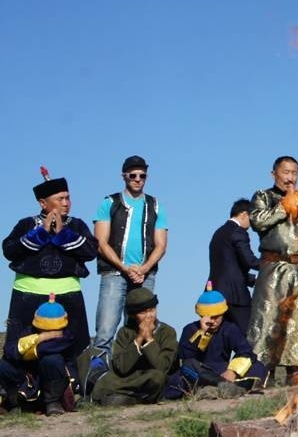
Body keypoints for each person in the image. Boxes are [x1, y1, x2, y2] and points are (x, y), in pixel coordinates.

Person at [247, 156, 298, 382]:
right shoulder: (262, 196)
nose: (290, 178)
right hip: (275, 268)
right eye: (285, 172)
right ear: (274, 173)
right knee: (269, 320)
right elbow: (257, 221)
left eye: (294, 173)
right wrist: (283, 208)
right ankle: (262, 376)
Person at [3, 173, 97, 354]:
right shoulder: (26, 224)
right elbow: (9, 251)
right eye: (60, 198)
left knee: (73, 347)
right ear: (43, 203)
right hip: (27, 296)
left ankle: (71, 382)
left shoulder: (76, 225)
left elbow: (90, 251)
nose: (65, 203)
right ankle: (26, 382)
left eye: (68, 198)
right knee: (23, 345)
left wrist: (62, 233)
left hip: (69, 295)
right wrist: (42, 232)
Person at [93, 155, 169, 349]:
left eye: (142, 176)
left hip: (145, 276)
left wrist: (143, 269)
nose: (138, 179)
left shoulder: (156, 205)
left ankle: (135, 375)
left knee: (141, 329)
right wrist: (125, 268)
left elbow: (161, 244)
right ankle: (98, 376)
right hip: (114, 274)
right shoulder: (109, 203)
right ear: (124, 176)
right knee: (106, 330)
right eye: (133, 175)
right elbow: (101, 243)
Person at [164, 282, 268, 400]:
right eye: (209, 317)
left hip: (222, 370)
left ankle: (218, 388)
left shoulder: (229, 329)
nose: (212, 321)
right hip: (198, 371)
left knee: (258, 365)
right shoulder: (190, 329)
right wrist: (201, 333)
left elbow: (246, 352)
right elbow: (186, 357)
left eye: (216, 317)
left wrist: (232, 371)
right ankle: (224, 386)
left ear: (222, 314)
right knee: (187, 368)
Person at [90, 287, 178, 406]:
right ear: (133, 315)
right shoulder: (124, 332)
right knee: (107, 381)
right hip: (129, 378)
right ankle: (128, 397)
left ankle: (129, 398)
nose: (149, 316)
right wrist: (139, 338)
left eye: (151, 310)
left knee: (157, 377)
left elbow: (162, 366)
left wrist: (149, 340)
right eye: (143, 312)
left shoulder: (167, 332)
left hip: (151, 377)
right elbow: (121, 367)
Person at [0, 295, 79, 416]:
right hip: (28, 377)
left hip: (51, 379)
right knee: (4, 366)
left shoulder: (66, 335)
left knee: (52, 359)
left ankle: (53, 402)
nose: (49, 332)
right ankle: (15, 402)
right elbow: (9, 350)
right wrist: (39, 338)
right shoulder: (29, 331)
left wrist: (25, 351)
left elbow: (47, 349)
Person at [208, 199, 260, 333]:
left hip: (215, 295)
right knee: (248, 337)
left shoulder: (219, 233)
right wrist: (273, 264)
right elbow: (250, 261)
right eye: (252, 217)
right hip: (235, 297)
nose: (254, 222)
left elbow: (228, 266)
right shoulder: (239, 232)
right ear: (243, 214)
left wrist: (253, 280)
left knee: (221, 340)